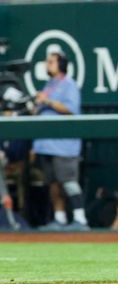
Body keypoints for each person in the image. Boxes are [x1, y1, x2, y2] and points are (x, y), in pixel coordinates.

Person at [33, 51, 88, 230]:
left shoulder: (69, 84)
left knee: (69, 182)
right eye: (46, 61)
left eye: (51, 62)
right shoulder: (49, 85)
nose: (46, 64)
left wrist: (47, 101)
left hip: (64, 145)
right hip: (46, 144)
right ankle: (60, 218)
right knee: (54, 183)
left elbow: (71, 109)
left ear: (61, 65)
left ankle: (80, 218)